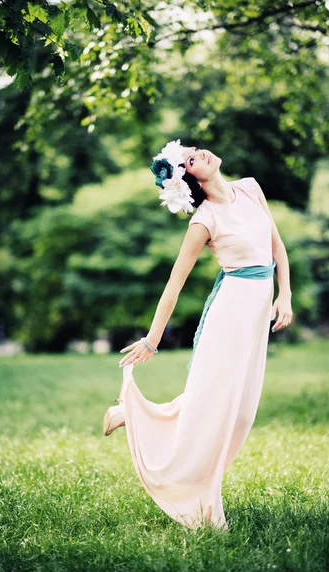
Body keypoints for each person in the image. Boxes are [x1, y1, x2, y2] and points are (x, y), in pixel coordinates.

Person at [102, 140, 293, 531]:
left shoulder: (251, 188)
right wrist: (152, 338)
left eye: (193, 149)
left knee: (239, 412)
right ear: (190, 180)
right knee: (217, 410)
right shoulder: (203, 221)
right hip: (230, 315)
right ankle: (202, 501)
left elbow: (276, 246)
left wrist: (285, 294)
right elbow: (174, 284)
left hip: (256, 317)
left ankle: (130, 415)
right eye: (189, 160)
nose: (198, 153)